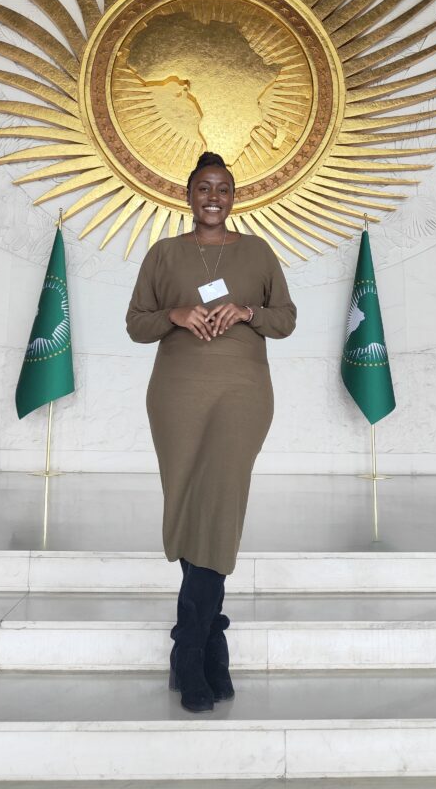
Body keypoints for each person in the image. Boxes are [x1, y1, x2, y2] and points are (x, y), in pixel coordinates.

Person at [125, 151, 297, 712]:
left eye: (223, 188)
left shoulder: (258, 252)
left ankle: (189, 646)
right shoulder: (164, 254)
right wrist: (175, 315)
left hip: (242, 394)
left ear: (234, 197)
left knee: (219, 504)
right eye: (204, 187)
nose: (213, 197)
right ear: (188, 195)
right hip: (176, 396)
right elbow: (136, 324)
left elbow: (286, 318)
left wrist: (247, 312)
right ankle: (211, 642)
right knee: (187, 501)